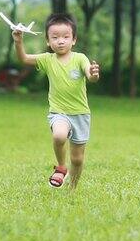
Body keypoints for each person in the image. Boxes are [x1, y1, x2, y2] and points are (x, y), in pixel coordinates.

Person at [12, 13, 100, 189]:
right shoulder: (47, 60)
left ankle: (72, 189)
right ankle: (61, 167)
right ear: (47, 41)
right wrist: (18, 41)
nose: (61, 41)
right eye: (55, 37)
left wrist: (94, 74)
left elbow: (90, 77)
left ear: (73, 40)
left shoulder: (80, 58)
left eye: (66, 37)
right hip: (58, 112)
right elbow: (24, 58)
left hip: (81, 114)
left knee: (77, 159)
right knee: (59, 135)